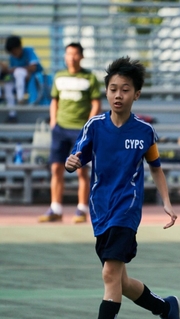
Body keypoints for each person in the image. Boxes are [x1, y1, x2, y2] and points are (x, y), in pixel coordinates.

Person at [64, 57, 180, 319]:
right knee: (121, 281)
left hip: (126, 211)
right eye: (113, 89)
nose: (118, 94)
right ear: (106, 92)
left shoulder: (144, 132)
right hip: (99, 211)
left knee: (108, 276)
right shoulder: (95, 126)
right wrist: (70, 163)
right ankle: (165, 308)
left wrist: (166, 202)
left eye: (125, 89)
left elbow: (156, 169)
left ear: (136, 94)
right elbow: (76, 155)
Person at [38, 42, 101, 223]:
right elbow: (54, 101)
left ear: (81, 56)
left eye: (75, 54)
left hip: (80, 131)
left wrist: (89, 125)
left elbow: (96, 103)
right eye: (68, 54)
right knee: (56, 168)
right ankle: (55, 209)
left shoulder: (89, 78)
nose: (71, 58)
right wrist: (53, 122)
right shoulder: (59, 76)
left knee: (81, 170)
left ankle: (81, 209)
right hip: (60, 129)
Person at [1, 35, 44, 123]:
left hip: (31, 81)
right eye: (11, 53)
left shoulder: (28, 51)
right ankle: (12, 115)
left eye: (14, 51)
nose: (13, 54)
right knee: (8, 86)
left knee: (19, 72)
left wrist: (16, 70)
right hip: (18, 82)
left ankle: (20, 99)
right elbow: (12, 70)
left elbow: (33, 67)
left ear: (19, 47)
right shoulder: (12, 57)